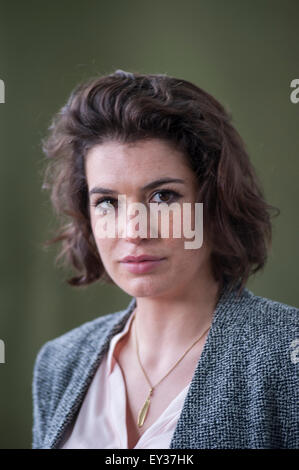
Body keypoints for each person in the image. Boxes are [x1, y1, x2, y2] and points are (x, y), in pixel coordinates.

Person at [32, 69, 298, 449]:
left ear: (214, 203)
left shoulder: (287, 355)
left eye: (163, 197)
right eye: (107, 202)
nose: (134, 230)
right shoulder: (59, 363)